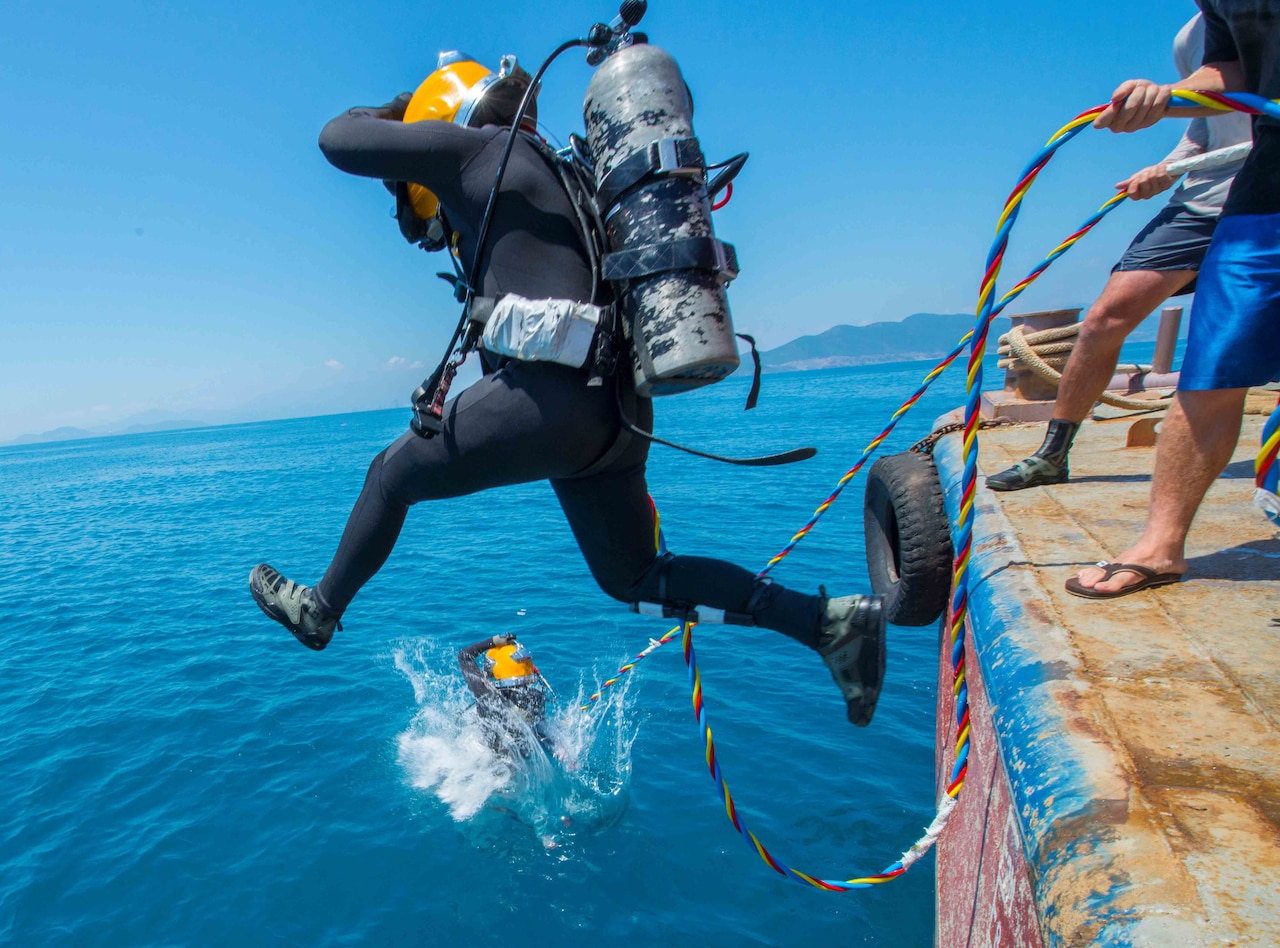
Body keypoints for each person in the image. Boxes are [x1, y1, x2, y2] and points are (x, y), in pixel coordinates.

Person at [248, 52, 888, 725]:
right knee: (637, 578)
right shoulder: (557, 172)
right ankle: (827, 624)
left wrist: (393, 114)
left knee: (388, 476)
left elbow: (335, 140)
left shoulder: (470, 153)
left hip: (550, 403)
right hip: (615, 413)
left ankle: (320, 611)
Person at [988, 8, 1252, 492]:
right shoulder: (1192, 36)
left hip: (1265, 192)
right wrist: (1168, 166)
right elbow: (1208, 123)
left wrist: (1167, 104)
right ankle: (1053, 454)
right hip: (1203, 198)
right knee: (1105, 317)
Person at [1068, 0, 1280, 599]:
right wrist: (1164, 97)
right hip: (1267, 184)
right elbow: (1232, 72)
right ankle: (1161, 544)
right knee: (1212, 363)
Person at [457, 633, 553, 756]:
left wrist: (493, 641)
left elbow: (464, 656)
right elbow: (539, 730)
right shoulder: (536, 697)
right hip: (523, 755)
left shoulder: (486, 694)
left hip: (490, 758)